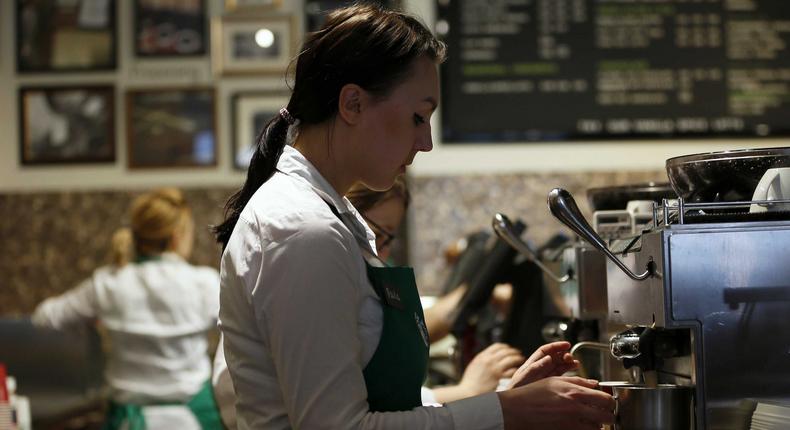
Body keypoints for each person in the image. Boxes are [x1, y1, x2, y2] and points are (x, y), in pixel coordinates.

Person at [213, 4, 614, 429]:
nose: (425, 142)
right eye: (418, 117)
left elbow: (376, 409)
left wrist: (507, 397)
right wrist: (507, 411)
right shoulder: (301, 229)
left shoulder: (326, 215)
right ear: (353, 103)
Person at [32, 188, 223, 430]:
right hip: (197, 419)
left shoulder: (108, 284)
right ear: (177, 236)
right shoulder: (204, 284)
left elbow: (44, 317)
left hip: (126, 421)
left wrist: (89, 326)